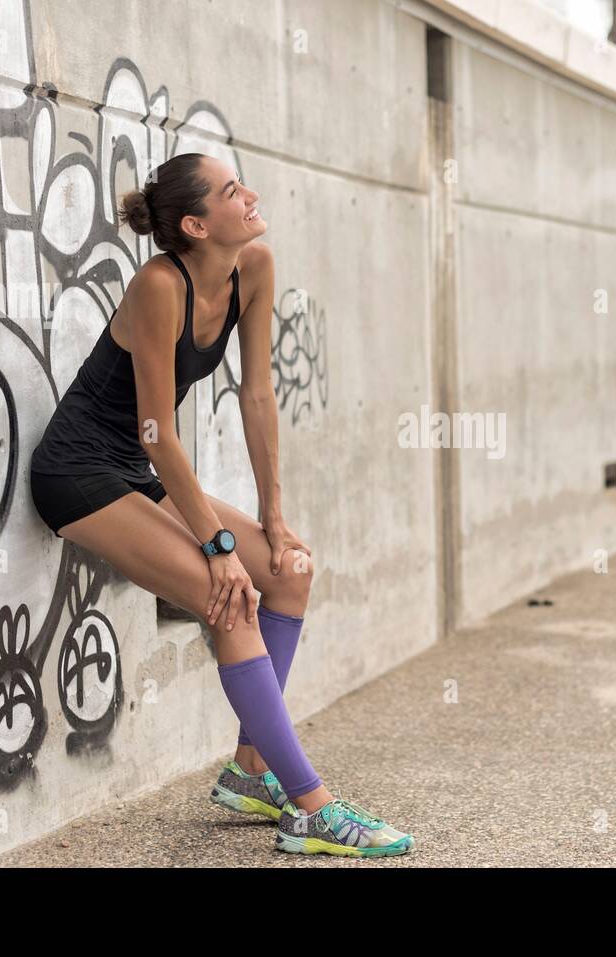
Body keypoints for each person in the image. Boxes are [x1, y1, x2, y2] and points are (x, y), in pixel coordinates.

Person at [28, 151, 413, 858]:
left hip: (138, 469)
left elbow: (257, 394)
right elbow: (157, 432)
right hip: (79, 472)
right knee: (226, 590)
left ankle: (252, 772)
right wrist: (217, 546)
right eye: (234, 190)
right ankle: (314, 809)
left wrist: (271, 518)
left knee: (289, 569)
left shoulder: (253, 269)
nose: (252, 195)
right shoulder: (158, 286)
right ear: (197, 224)